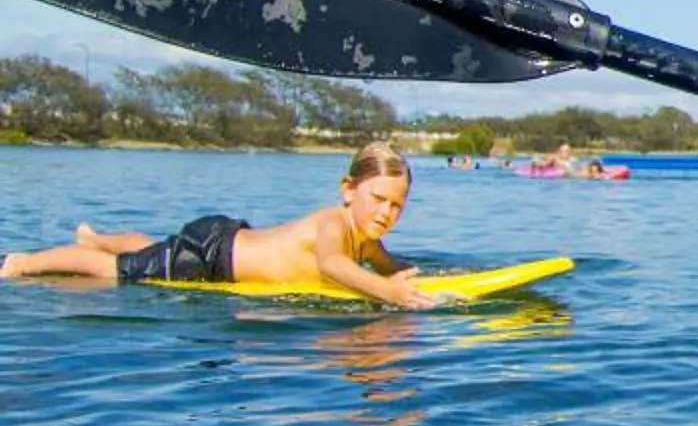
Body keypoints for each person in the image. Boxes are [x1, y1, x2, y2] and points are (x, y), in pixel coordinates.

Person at [3, 141, 443, 305]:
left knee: (154, 248)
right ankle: (25, 263)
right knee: (114, 271)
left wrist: (417, 278)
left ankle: (97, 236)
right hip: (211, 258)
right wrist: (390, 295)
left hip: (223, 238)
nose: (386, 213)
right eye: (378, 200)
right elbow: (332, 266)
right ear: (348, 189)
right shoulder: (332, 224)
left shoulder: (365, 239)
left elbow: (388, 263)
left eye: (397, 206)